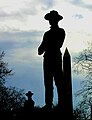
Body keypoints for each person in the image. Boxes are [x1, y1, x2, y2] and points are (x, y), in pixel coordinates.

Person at [38, 10, 66, 110]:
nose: (50, 21)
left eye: (52, 19)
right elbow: (40, 50)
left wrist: (47, 44)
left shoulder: (61, 31)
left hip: (55, 58)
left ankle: (61, 103)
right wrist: (46, 44)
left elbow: (59, 44)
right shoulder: (47, 34)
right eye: (50, 19)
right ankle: (49, 104)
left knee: (59, 82)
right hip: (48, 59)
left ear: (56, 20)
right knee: (48, 83)